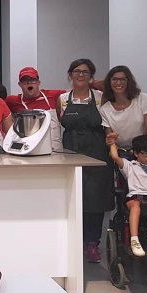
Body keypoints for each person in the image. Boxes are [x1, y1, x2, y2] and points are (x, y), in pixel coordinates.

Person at [57, 58, 113, 263]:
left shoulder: (99, 97)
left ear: (91, 76)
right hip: (70, 150)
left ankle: (92, 243)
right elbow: (62, 122)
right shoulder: (63, 99)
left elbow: (107, 124)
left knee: (95, 198)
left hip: (97, 151)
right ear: (70, 74)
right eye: (77, 71)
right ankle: (74, 241)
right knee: (72, 196)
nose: (80, 75)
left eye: (85, 72)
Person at [5, 66, 66, 152]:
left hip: (56, 152)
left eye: (33, 80)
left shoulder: (53, 95)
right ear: (20, 84)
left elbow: (75, 92)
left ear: (38, 83)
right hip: (30, 152)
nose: (29, 83)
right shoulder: (12, 101)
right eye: (25, 81)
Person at [100, 65, 147, 155]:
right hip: (120, 154)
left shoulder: (143, 99)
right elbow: (110, 138)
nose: (118, 83)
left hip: (143, 152)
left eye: (123, 79)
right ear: (109, 82)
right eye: (114, 79)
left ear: (129, 81)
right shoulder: (104, 109)